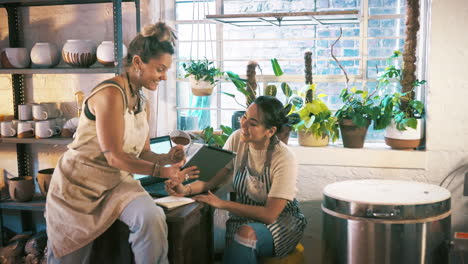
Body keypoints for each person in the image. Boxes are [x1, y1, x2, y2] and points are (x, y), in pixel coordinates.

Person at [45, 22, 199, 264]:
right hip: (78, 189)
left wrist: (168, 158)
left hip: (116, 184)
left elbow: (144, 153)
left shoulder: (142, 102)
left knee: (151, 218)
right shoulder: (110, 94)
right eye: (160, 69)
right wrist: (162, 171)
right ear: (138, 63)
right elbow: (114, 156)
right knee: (69, 256)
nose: (164, 77)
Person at [166, 96, 307, 264]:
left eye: (253, 124)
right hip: (243, 219)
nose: (244, 125)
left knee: (245, 234)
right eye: (245, 117)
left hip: (282, 222)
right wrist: (184, 190)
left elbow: (270, 215)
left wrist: (223, 204)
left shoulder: (284, 158)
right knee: (240, 233)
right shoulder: (237, 139)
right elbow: (212, 180)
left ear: (270, 131)